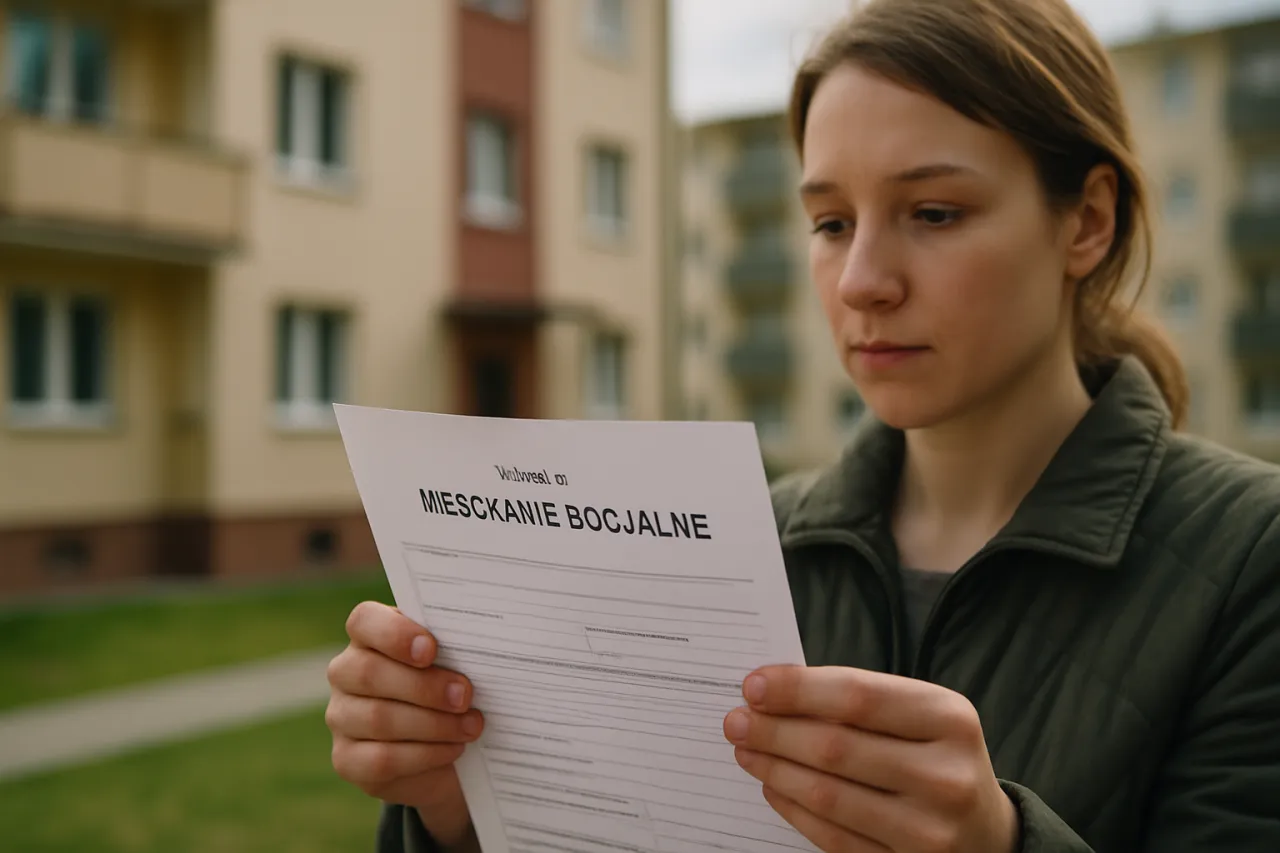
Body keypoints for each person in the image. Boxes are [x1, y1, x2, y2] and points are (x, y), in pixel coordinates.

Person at [325, 0, 1280, 850]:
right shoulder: (750, 544)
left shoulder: (1249, 560)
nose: (864, 279)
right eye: (830, 223)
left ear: (1088, 222)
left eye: (935, 211)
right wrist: (460, 812)